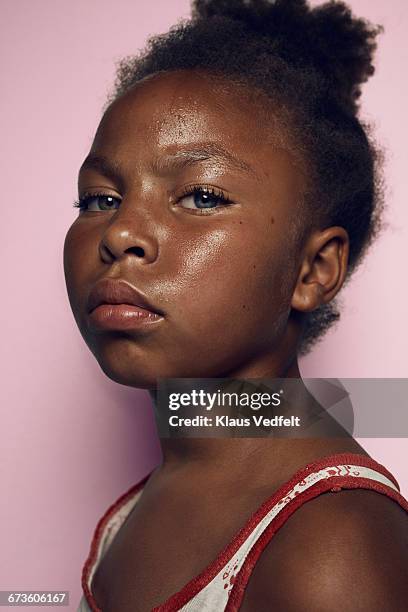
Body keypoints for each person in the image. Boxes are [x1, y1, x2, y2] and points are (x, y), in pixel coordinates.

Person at [63, 0, 408, 610]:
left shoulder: (332, 547)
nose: (120, 234)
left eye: (200, 196)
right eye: (99, 198)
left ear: (312, 270)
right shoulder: (148, 501)